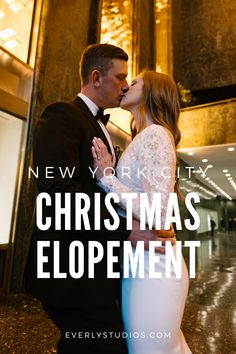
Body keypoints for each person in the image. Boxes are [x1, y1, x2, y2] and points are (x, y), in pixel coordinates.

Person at [25, 44, 175, 354]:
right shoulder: (62, 116)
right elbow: (59, 196)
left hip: (97, 271)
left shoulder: (108, 128)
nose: (124, 85)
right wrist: (128, 232)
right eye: (121, 78)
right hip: (69, 275)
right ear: (96, 77)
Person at [92, 70, 192, 353]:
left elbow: (157, 213)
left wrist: (107, 178)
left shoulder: (156, 134)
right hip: (142, 261)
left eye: (134, 82)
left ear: (152, 92)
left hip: (154, 265)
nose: (125, 86)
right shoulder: (146, 136)